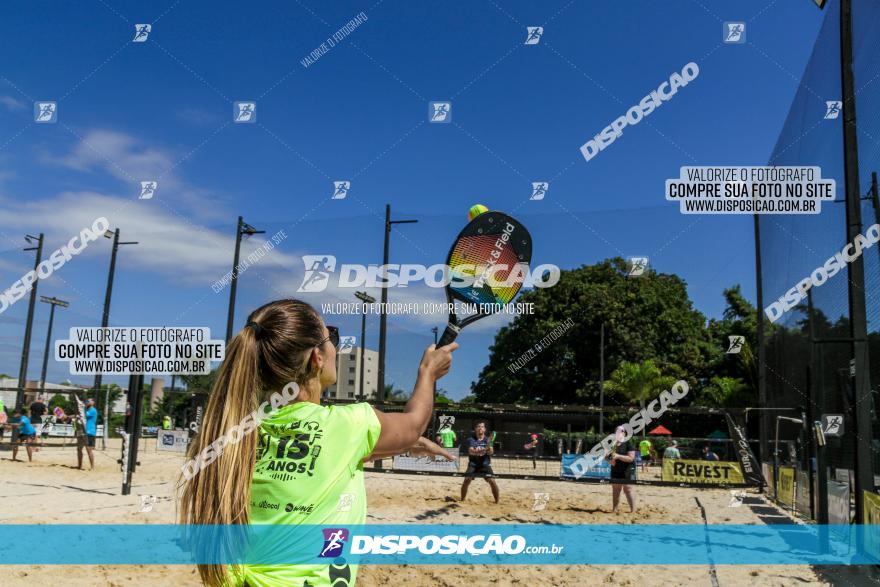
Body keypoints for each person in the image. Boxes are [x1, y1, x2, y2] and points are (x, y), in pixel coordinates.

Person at [178, 299, 457, 587]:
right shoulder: (349, 424)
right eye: (331, 336)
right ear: (316, 357)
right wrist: (428, 374)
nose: (336, 345)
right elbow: (413, 423)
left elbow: (311, 467)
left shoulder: (235, 431)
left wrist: (391, 446)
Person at [460, 421, 500, 503]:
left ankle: (497, 502)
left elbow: (491, 452)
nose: (480, 428)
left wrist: (488, 450)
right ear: (475, 429)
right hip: (473, 464)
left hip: (485, 464)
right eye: (478, 426)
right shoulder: (471, 439)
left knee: (492, 481)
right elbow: (471, 451)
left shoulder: (488, 440)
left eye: (482, 426)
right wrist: (479, 452)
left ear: (484, 429)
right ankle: (462, 500)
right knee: (466, 480)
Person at [609, 425, 637, 513]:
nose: (618, 433)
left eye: (620, 431)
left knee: (628, 489)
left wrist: (618, 456)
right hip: (616, 469)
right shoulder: (612, 443)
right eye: (616, 431)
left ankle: (633, 510)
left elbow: (631, 458)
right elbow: (606, 456)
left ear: (624, 433)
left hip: (628, 468)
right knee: (616, 489)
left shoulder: (628, 442)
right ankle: (615, 509)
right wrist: (609, 461)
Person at [77, 399, 97, 470]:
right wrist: (67, 417)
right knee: (79, 449)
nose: (87, 402)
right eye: (87, 401)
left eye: (89, 401)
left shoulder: (93, 410)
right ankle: (79, 466)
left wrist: (81, 406)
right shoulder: (86, 410)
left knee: (89, 450)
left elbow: (83, 416)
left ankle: (92, 467)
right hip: (83, 432)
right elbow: (79, 416)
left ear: (93, 403)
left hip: (90, 432)